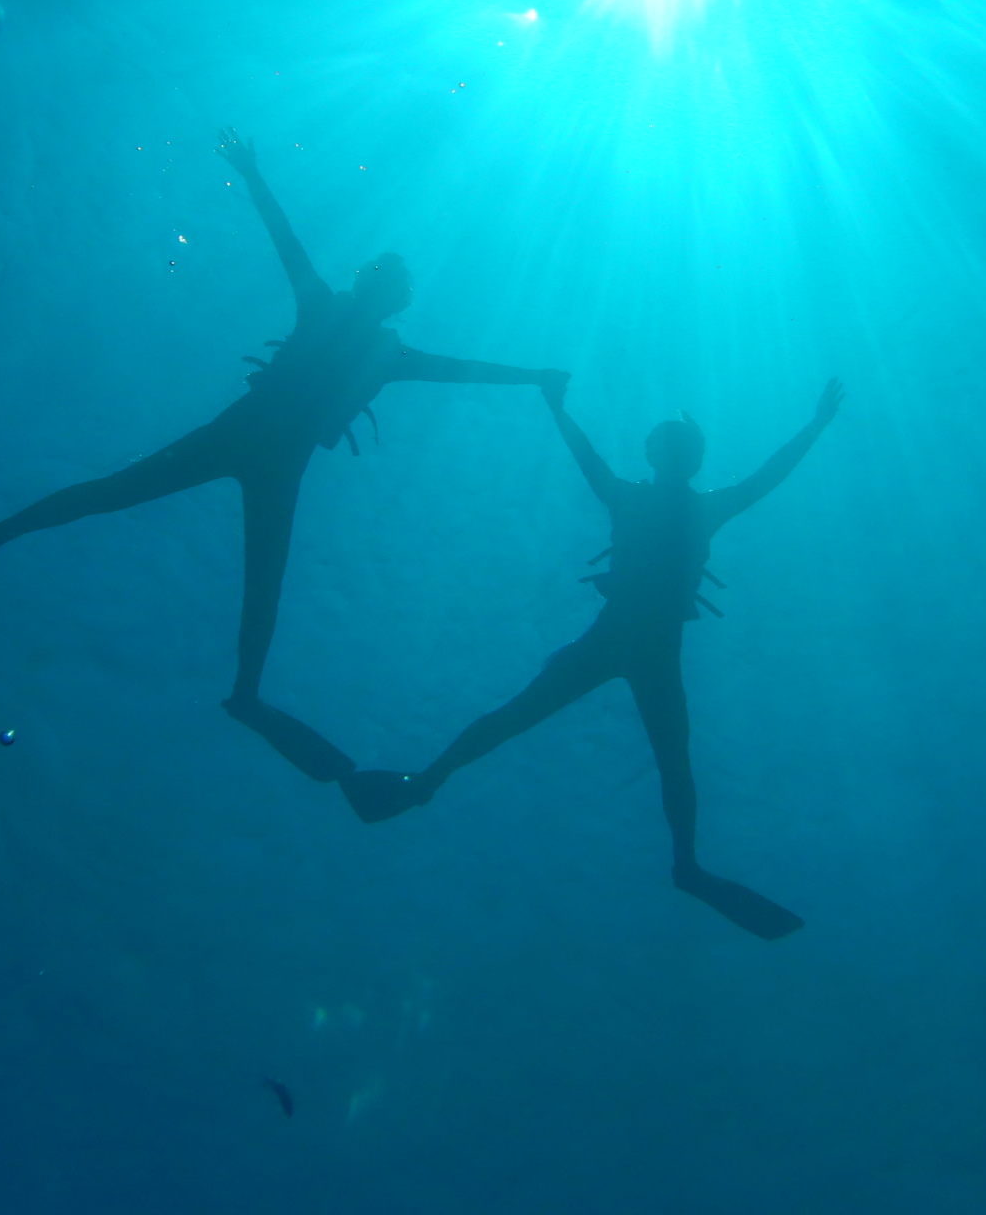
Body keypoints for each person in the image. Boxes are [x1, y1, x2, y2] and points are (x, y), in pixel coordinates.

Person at [0, 129, 565, 782]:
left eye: (385, 283)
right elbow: (292, 244)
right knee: (151, 511)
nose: (378, 288)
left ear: (382, 293)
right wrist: (253, 172)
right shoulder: (359, 333)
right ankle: (4, 543)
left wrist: (534, 377)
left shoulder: (364, 337)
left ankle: (239, 688)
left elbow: (459, 365)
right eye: (381, 278)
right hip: (258, 446)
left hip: (262, 450)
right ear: (378, 290)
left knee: (236, 558)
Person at [341, 374, 844, 940]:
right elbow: (762, 477)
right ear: (672, 456)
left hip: (620, 641)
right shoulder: (694, 506)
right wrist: (815, 426)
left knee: (537, 721)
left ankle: (427, 781)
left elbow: (597, 458)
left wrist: (559, 408)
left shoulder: (640, 497)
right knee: (658, 755)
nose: (668, 451)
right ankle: (685, 864)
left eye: (672, 444)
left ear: (664, 454)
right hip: (643, 646)